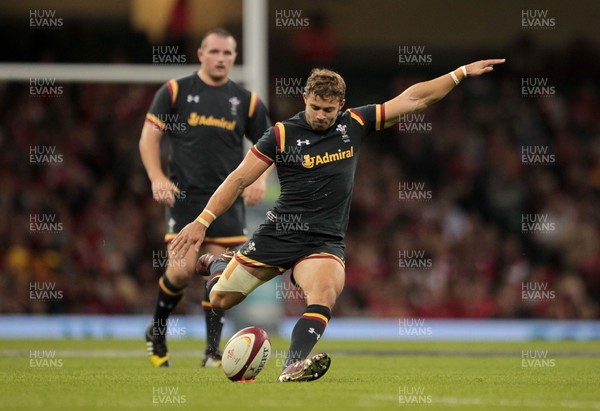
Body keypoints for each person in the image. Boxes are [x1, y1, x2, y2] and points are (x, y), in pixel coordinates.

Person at [170, 58, 505, 381]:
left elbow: (415, 98)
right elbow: (238, 179)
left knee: (325, 291)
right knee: (220, 298)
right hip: (279, 233)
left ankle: (293, 364)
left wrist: (460, 72)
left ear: (341, 105)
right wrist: (202, 222)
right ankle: (218, 264)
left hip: (323, 240)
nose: (319, 115)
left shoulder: (355, 124)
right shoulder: (281, 135)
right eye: (315, 107)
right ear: (305, 98)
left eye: (328, 110)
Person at [139, 28, 271, 368]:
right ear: (200, 54)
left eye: (227, 53)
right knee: (182, 272)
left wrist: (262, 179)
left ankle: (212, 352)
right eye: (214, 52)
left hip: (226, 199)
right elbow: (148, 138)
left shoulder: (246, 100)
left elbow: (270, 145)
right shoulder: (175, 91)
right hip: (185, 198)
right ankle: (158, 333)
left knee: (220, 276)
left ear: (234, 56)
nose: (221, 59)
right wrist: (157, 177)